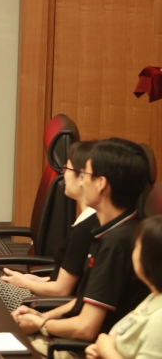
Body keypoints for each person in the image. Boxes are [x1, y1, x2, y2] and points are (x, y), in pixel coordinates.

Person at [13, 139, 152, 353]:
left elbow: (86, 328)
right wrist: (42, 316)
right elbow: (84, 300)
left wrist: (41, 324)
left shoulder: (116, 243)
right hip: (70, 337)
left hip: (79, 350)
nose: (81, 180)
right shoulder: (114, 229)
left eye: (85, 174)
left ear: (101, 183)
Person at [0, 141, 99, 309]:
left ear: (82, 177)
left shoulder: (86, 228)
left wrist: (26, 284)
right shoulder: (90, 220)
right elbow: (70, 278)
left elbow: (62, 291)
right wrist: (38, 280)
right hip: (46, 295)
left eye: (67, 169)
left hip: (45, 305)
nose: (64, 174)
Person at [86, 215, 162, 359]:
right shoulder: (153, 297)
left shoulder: (160, 319)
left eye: (137, 246)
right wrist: (100, 350)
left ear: (150, 256)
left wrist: (106, 349)